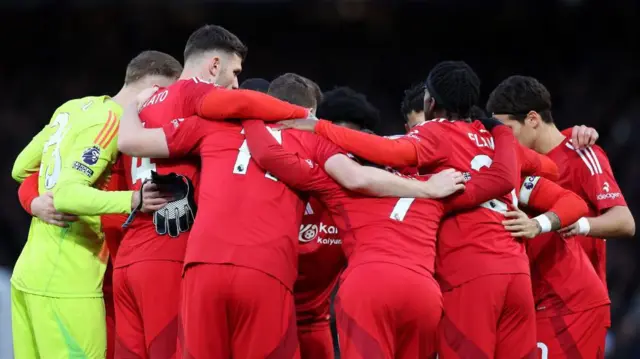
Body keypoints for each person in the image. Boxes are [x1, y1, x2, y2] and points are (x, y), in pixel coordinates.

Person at [118, 65, 466, 357]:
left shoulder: (213, 126)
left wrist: (132, 105)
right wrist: (427, 189)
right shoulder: (315, 142)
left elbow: (131, 142)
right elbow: (356, 177)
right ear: (311, 112)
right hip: (267, 272)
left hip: (202, 265)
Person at [279, 61, 563, 358]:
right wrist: (541, 220)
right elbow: (551, 168)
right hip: (515, 272)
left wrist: (319, 127)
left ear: (430, 101)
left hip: (467, 272)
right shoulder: (492, 141)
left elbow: (388, 152)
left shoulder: (433, 138)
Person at [241, 112, 522, 359]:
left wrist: (251, 115)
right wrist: (501, 130)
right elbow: (501, 178)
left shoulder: (338, 186)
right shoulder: (436, 188)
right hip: (422, 294)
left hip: (368, 287)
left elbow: (269, 155)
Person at [9, 50, 179, 359]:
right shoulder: (112, 123)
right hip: (68, 281)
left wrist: (33, 202)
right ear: (154, 89)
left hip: (29, 274)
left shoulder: (73, 109)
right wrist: (134, 200)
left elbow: (21, 167)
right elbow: (67, 194)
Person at [487, 75, 635, 358]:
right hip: (535, 302)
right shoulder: (520, 164)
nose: (503, 141)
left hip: (573, 306)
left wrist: (578, 224)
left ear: (532, 119)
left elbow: (625, 222)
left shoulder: (580, 151)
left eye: (507, 130)